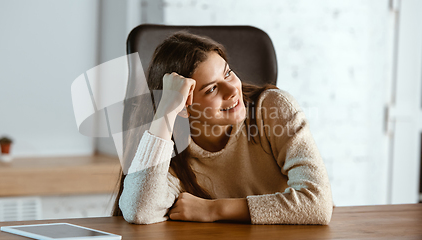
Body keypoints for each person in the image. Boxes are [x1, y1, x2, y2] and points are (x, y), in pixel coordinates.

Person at [112, 31, 333, 225]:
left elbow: (318, 204)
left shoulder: (274, 107)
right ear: (183, 108)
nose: (232, 90)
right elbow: (139, 211)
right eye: (211, 89)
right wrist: (164, 113)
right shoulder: (168, 148)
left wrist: (215, 209)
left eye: (228, 73)